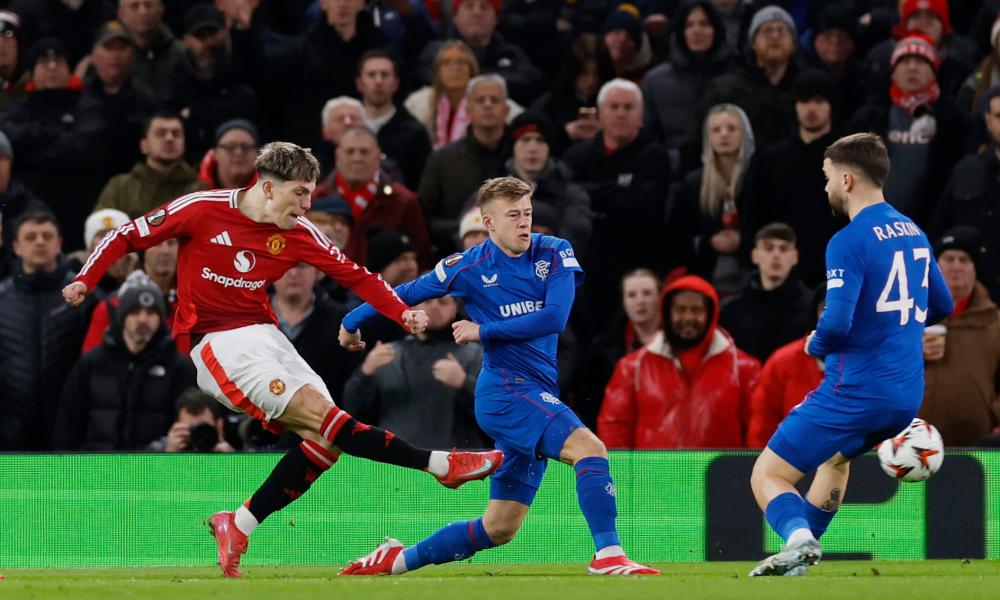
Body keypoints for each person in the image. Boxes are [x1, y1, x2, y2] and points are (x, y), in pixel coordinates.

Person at [63, 141, 502, 578]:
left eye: (310, 193)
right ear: (268, 187)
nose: (307, 204)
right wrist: (86, 278)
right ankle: (440, 465)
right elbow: (126, 235)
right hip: (218, 342)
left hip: (266, 336)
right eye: (300, 193)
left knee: (326, 440)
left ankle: (238, 524)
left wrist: (401, 312)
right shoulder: (202, 208)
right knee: (324, 418)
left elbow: (357, 276)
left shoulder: (300, 232)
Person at [339, 176, 659, 577]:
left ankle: (397, 559)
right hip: (505, 393)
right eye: (513, 215)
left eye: (527, 213)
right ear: (488, 222)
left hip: (536, 390)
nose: (524, 223)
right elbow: (401, 293)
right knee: (589, 449)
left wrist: (482, 330)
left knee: (499, 527)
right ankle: (609, 554)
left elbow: (554, 319)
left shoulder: (555, 252)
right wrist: (350, 323)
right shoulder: (466, 266)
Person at [747, 133, 953, 577]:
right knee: (834, 459)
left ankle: (798, 539)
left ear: (846, 180)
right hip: (905, 396)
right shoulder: (914, 232)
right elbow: (942, 304)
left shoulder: (848, 240)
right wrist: (895, 328)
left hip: (855, 391)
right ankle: (800, 563)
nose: (825, 187)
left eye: (826, 177)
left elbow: (836, 323)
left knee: (768, 474)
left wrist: (814, 345)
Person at [598, 275, 760, 448]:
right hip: (652, 467)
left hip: (722, 467)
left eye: (696, 310)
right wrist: (620, 466)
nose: (688, 317)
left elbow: (758, 431)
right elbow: (614, 428)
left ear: (711, 313)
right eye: (680, 309)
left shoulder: (744, 368)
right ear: (667, 313)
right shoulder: (632, 367)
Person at [564, 78, 669, 321]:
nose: (621, 113)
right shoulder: (577, 156)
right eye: (614, 107)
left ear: (640, 115)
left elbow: (642, 207)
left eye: (628, 107)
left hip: (637, 258)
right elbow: (569, 199)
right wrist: (616, 189)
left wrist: (591, 194)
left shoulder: (654, 155)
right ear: (600, 114)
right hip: (588, 261)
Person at [53, 276, 195, 450]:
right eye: (135, 312)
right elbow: (68, 426)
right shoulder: (91, 365)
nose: (143, 319)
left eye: (151, 313)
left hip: (156, 465)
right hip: (97, 465)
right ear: (122, 317)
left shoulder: (179, 368)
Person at [846, 31, 969, 229]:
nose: (912, 67)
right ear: (893, 72)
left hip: (932, 226)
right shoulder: (869, 118)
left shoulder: (954, 121)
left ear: (934, 72)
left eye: (920, 61)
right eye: (904, 61)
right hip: (874, 225)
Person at [342, 293, 489, 449]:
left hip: (456, 457)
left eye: (443, 302)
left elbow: (496, 412)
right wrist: (365, 372)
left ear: (455, 309)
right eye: (428, 301)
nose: (435, 306)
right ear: (412, 308)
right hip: (394, 457)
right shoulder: (388, 354)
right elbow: (353, 412)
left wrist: (464, 383)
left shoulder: (475, 354)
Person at [740, 69, 844, 286]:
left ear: (831, 106)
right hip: (778, 275)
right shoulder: (770, 160)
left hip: (833, 276)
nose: (811, 108)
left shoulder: (849, 162)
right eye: (804, 101)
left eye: (819, 101)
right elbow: (753, 217)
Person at [0, 211, 94, 450]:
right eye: (31, 237)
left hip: (70, 428)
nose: (40, 242)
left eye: (47, 236)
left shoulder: (84, 297)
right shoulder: (2, 298)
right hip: (10, 431)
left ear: (59, 243)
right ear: (16, 246)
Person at [920, 227, 1000, 446]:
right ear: (935, 267)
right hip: (913, 446)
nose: (956, 266)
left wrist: (993, 416)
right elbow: (880, 365)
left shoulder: (994, 322)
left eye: (964, 260)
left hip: (978, 446)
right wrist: (914, 351)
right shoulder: (909, 315)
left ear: (975, 269)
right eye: (949, 259)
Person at [313, 126, 432, 268]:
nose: (357, 158)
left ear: (378, 156)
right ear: (337, 156)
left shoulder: (403, 202)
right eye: (350, 151)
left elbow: (422, 258)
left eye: (364, 152)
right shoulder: (314, 199)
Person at [419, 74, 512, 255]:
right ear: (468, 110)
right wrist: (466, 226)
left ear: (506, 110)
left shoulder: (521, 157)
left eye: (494, 100)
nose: (488, 105)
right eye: (480, 100)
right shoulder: (442, 160)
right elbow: (424, 216)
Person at [668, 103, 754, 296]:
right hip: (704, 275)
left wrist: (744, 240)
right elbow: (676, 237)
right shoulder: (693, 183)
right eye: (716, 130)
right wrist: (708, 242)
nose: (724, 134)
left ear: (744, 134)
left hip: (751, 272)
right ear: (708, 138)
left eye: (731, 128)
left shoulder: (758, 178)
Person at [641, 0, 734, 174]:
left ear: (716, 29)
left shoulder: (737, 76)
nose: (696, 31)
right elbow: (646, 137)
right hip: (673, 176)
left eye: (704, 24)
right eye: (689, 25)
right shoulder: (655, 80)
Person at [934, 87, 1000, 301]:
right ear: (988, 119)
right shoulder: (966, 170)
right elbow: (940, 227)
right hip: (967, 292)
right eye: (999, 116)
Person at [577, 268, 661, 430]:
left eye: (647, 293)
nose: (640, 301)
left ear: (660, 297)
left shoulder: (678, 343)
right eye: (632, 295)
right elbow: (590, 403)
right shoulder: (602, 349)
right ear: (624, 302)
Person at [720, 223, 812, 363]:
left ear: (795, 256)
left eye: (784, 249)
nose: (776, 255)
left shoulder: (811, 307)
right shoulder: (731, 309)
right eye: (768, 248)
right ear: (755, 255)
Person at [503, 111, 592, 256]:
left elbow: (574, 241)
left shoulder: (572, 196)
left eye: (540, 140)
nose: (532, 148)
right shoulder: (492, 194)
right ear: (513, 146)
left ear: (549, 148)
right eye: (525, 139)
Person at [747, 286, 826, 447]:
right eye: (825, 308)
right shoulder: (782, 362)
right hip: (792, 460)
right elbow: (762, 427)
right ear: (815, 314)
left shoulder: (873, 364)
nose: (834, 316)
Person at [95, 111, 206, 218]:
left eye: (176, 134)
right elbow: (102, 226)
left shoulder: (199, 192)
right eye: (160, 133)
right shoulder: (120, 187)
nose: (169, 138)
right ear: (144, 145)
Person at [356, 49, 432, 189]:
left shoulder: (414, 133)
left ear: (396, 83)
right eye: (371, 75)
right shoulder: (345, 127)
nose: (378, 81)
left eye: (385, 75)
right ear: (360, 83)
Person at [148, 388, 236, 453]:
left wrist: (231, 462)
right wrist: (168, 456)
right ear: (176, 426)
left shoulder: (236, 447)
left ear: (219, 425)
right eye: (191, 429)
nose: (197, 435)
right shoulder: (156, 451)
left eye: (203, 429)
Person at [197, 118, 259, 189]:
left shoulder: (268, 192)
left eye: (245, 147)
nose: (238, 153)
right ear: (215, 153)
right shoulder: (193, 192)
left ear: (257, 153)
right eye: (230, 147)